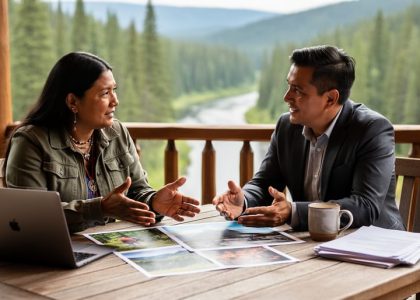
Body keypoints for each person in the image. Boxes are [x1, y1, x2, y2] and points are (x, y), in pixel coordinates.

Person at [3, 52, 200, 233]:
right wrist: (99, 209)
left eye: (114, 90)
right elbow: (29, 218)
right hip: (51, 259)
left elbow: (137, 191)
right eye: (105, 93)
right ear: (73, 102)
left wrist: (154, 201)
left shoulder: (117, 132)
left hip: (107, 253)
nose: (115, 101)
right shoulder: (30, 142)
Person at [213, 45, 404, 231]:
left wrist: (293, 211)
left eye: (298, 90)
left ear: (330, 99)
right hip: (313, 243)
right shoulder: (286, 127)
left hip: (374, 245)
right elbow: (265, 183)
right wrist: (243, 200)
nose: (286, 97)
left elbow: (365, 205)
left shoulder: (372, 129)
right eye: (289, 86)